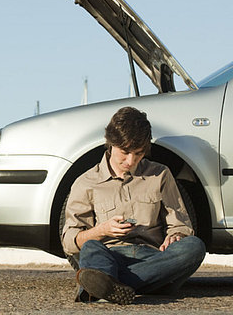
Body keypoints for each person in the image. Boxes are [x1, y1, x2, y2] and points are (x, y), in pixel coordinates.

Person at [62, 106, 206, 305]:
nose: (131, 161)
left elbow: (181, 224)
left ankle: (105, 286)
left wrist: (176, 237)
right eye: (125, 152)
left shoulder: (160, 174)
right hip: (109, 256)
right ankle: (125, 283)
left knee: (194, 246)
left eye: (138, 153)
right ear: (111, 144)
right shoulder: (86, 182)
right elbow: (70, 242)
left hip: (153, 259)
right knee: (91, 248)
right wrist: (103, 230)